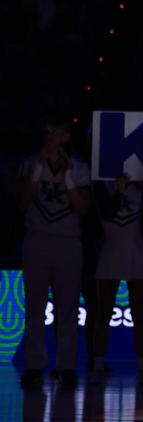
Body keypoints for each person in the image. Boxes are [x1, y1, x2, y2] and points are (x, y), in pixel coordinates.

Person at [16, 118, 91, 388]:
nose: (50, 136)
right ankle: (34, 365)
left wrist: (68, 176)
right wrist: (38, 168)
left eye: (55, 131)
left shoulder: (80, 168)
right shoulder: (28, 162)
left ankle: (67, 366)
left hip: (68, 242)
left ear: (66, 137)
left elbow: (82, 209)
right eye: (47, 131)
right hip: (37, 239)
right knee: (35, 306)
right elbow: (22, 202)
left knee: (67, 308)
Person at [92, 174, 143, 383]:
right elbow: (108, 212)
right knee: (103, 312)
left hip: (135, 252)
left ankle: (142, 366)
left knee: (138, 312)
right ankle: (98, 365)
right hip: (110, 251)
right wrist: (119, 190)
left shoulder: (140, 186)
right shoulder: (101, 184)